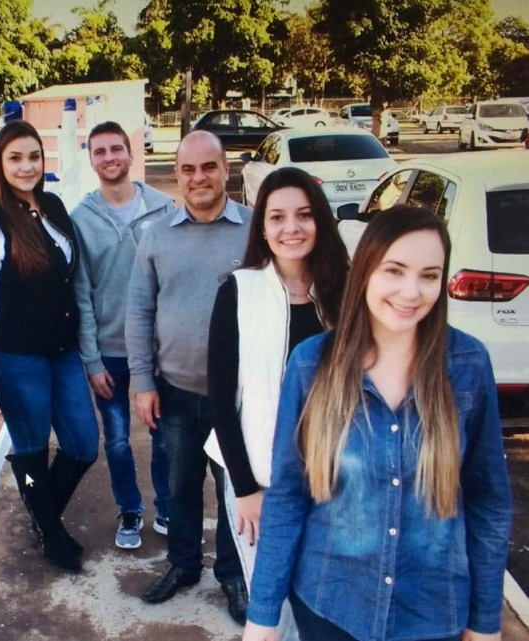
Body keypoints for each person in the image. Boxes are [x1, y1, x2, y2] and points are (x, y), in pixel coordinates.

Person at [244, 206, 512, 641]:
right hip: (330, 606)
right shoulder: (311, 364)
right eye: (395, 270)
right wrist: (263, 616)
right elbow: (288, 496)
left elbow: (489, 502)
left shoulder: (467, 365)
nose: (411, 291)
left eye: (428, 275)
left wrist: (485, 623)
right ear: (366, 270)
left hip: (431, 614)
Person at [205, 167, 350, 637]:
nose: (291, 228)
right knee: (276, 610)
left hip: (332, 480)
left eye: (304, 215)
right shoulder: (239, 291)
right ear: (262, 227)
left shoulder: (345, 293)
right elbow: (222, 402)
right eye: (278, 217)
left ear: (320, 222)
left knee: (322, 603)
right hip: (261, 482)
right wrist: (245, 488)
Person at [125, 130, 250, 623]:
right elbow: (138, 309)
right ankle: (182, 565)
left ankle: (233, 577)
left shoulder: (254, 230)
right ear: (176, 174)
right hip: (175, 391)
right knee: (178, 486)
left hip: (239, 398)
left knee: (234, 490)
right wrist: (143, 381)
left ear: (225, 170)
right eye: (188, 169)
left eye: (209, 167)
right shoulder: (155, 234)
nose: (199, 178)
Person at [0, 120, 98, 573]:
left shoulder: (55, 206)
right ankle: (51, 531)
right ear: (0, 164)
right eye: (15, 158)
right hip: (17, 358)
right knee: (31, 449)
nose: (27, 167)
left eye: (33, 157)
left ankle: (43, 512)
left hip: (62, 353)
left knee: (83, 444)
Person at [70, 121, 176, 550]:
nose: (110, 158)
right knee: (115, 437)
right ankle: (129, 510)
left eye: (117, 149)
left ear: (131, 154)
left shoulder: (165, 209)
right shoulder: (80, 219)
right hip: (109, 349)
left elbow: (173, 282)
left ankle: (167, 507)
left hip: (155, 349)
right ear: (91, 159)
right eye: (100, 151)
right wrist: (92, 360)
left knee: (163, 434)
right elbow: (80, 294)